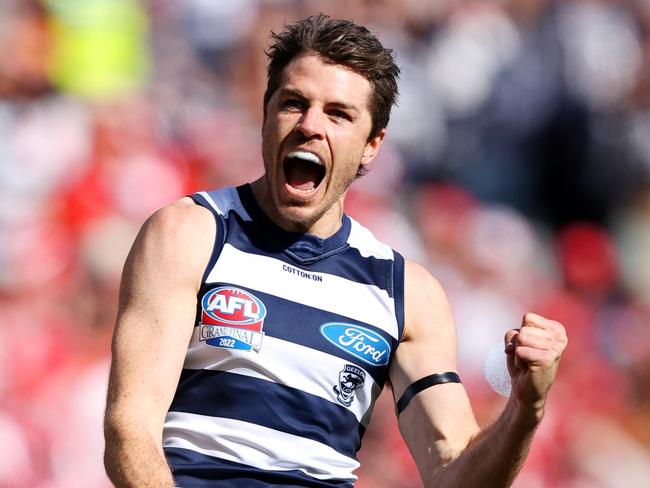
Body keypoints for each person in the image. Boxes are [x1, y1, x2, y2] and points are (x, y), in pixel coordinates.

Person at [103, 13, 568, 488]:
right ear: (265, 115)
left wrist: (525, 409)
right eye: (293, 104)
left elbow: (454, 474)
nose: (310, 126)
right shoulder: (190, 234)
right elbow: (130, 430)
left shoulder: (404, 292)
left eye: (338, 114)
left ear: (372, 145)